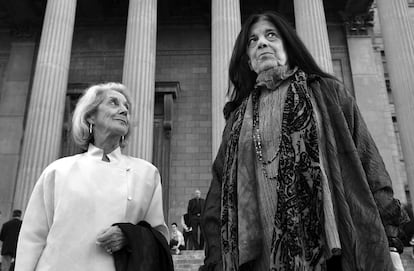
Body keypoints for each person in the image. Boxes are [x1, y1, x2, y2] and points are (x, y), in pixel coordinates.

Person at [200, 11, 409, 271]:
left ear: (288, 45)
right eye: (252, 41)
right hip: (260, 257)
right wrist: (216, 260)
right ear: (248, 60)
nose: (262, 43)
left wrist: (389, 238)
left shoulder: (327, 93)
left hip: (330, 251)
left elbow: (368, 164)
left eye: (271, 35)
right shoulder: (237, 119)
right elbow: (218, 196)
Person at [15, 82, 172, 271]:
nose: (123, 110)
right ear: (90, 116)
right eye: (113, 103)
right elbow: (33, 238)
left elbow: (159, 238)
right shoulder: (58, 171)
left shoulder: (147, 174)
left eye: (126, 108)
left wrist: (129, 236)